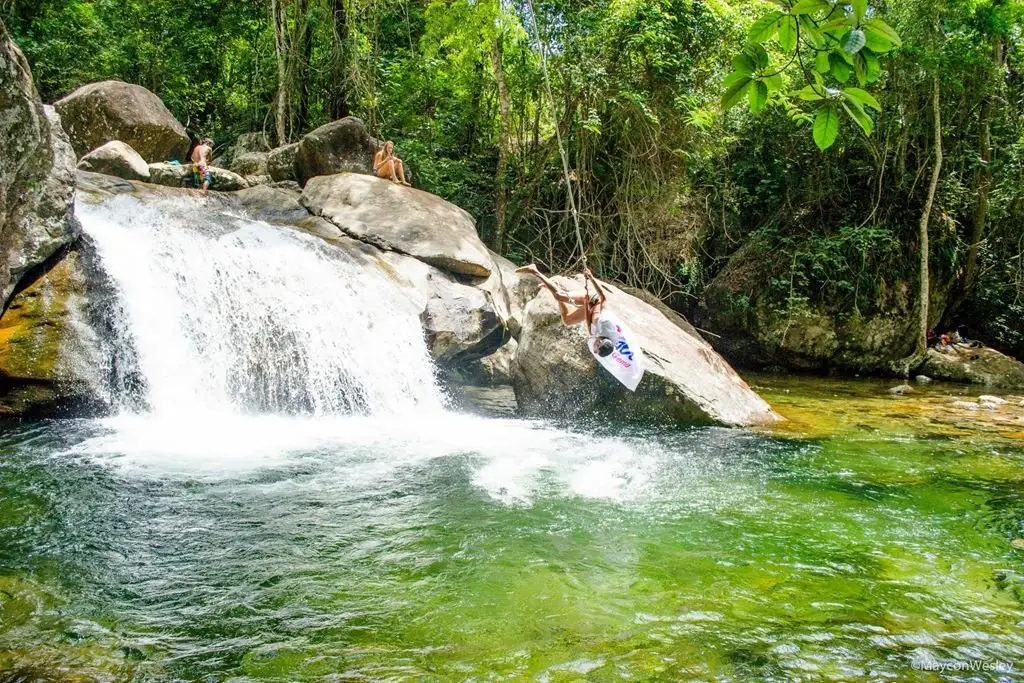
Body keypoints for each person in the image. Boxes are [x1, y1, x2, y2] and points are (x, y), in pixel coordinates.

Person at [515, 263, 615, 358]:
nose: (594, 349)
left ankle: (553, 288)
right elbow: (603, 298)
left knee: (568, 320)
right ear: (600, 342)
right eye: (596, 348)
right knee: (560, 295)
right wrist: (591, 278)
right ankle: (534, 270)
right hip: (595, 300)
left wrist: (585, 306)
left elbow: (589, 324)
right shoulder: (605, 322)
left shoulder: (597, 338)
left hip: (591, 309)